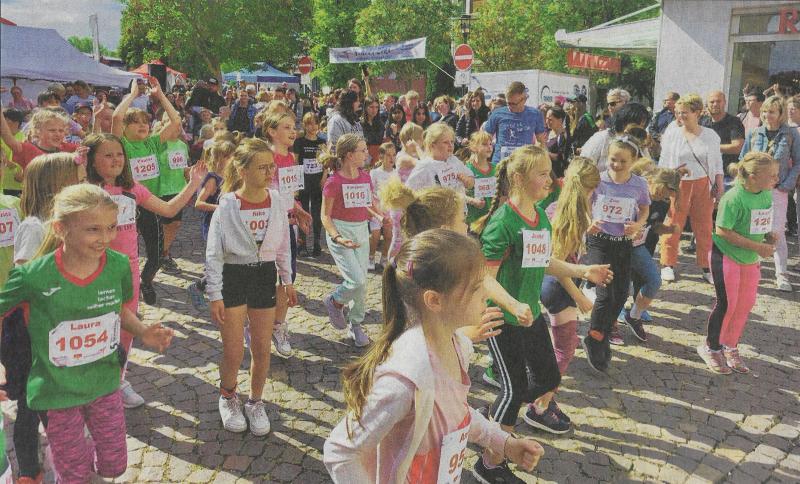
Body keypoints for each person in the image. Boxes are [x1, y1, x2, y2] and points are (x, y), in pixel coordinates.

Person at [323, 229, 544, 483]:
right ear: (434, 301)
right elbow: (340, 452)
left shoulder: (457, 345)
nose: (487, 294)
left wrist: (503, 443)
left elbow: (457, 413)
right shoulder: (405, 380)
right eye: (476, 288)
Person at [0, 184, 173, 484]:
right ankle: (71, 466)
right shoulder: (33, 275)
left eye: (111, 227)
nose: (105, 238)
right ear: (61, 229)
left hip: (104, 382)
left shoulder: (118, 265)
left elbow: (118, 308)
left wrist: (143, 331)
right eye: (93, 229)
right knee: (74, 474)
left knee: (114, 465)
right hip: (57, 391)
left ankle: (80, 464)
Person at [472, 145, 613, 480]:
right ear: (519, 178)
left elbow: (543, 260)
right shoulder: (502, 223)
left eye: (550, 173)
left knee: (548, 378)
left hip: (530, 316)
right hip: (501, 319)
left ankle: (492, 418)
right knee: (514, 388)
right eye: (542, 174)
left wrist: (583, 271)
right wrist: (512, 304)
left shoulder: (540, 217)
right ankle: (489, 464)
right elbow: (485, 279)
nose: (550, 180)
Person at [83, 133, 205, 407]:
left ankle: (118, 380)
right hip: (93, 271)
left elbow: (168, 209)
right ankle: (92, 386)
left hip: (128, 271)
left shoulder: (132, 188)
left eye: (119, 154)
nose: (116, 160)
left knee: (126, 328)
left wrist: (193, 184)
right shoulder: (84, 189)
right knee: (97, 325)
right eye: (107, 155)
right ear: (92, 159)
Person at [206, 138, 294, 435]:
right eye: (262, 167)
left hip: (264, 276)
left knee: (262, 347)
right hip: (233, 276)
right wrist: (214, 293)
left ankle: (256, 401)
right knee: (233, 350)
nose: (270, 172)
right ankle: (228, 396)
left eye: (271, 166)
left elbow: (283, 245)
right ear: (242, 170)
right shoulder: (227, 204)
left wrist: (287, 279)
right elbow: (213, 252)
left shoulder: (277, 200)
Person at [8, 153, 85, 483]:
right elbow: (24, 278)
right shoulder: (33, 227)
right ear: (57, 187)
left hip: (59, 325)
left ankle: (64, 456)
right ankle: (30, 468)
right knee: (32, 400)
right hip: (34, 329)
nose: (84, 186)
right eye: (78, 181)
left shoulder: (66, 225)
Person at [697, 152, 779, 374]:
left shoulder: (766, 194)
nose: (776, 179)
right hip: (726, 256)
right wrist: (757, 247)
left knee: (745, 304)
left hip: (749, 259)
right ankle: (710, 347)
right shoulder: (733, 197)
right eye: (772, 175)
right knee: (728, 304)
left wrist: (767, 236)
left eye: (776, 174)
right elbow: (722, 230)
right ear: (753, 177)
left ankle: (730, 346)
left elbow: (757, 222)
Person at [111, 77, 183, 305]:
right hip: (126, 206)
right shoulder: (122, 144)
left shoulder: (152, 143)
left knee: (157, 254)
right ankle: (122, 291)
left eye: (145, 122)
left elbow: (176, 120)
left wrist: (160, 95)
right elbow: (116, 118)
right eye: (136, 122)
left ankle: (146, 281)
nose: (143, 126)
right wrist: (133, 95)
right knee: (123, 253)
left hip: (150, 203)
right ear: (125, 128)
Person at [580, 136, 650, 370]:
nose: (617, 165)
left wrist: (638, 224)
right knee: (605, 292)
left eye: (623, 161)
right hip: (599, 241)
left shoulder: (639, 184)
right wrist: (589, 221)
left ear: (633, 161)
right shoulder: (598, 180)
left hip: (623, 243)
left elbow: (644, 208)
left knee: (620, 294)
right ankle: (595, 337)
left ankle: (603, 332)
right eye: (613, 159)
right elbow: (584, 203)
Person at [321, 134, 385, 347]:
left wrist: (378, 215)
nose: (367, 154)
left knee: (362, 283)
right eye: (363, 150)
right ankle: (334, 300)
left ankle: (355, 324)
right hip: (340, 232)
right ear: (349, 155)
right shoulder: (333, 182)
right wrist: (337, 237)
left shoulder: (365, 177)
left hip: (361, 230)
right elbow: (325, 216)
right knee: (356, 280)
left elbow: (365, 203)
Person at [540, 158, 599, 376]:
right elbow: (556, 263)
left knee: (566, 341)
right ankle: (544, 393)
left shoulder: (555, 207)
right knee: (564, 349)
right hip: (558, 286)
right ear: (590, 190)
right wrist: (579, 297)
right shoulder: (573, 217)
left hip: (555, 285)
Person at [658, 94, 724, 283]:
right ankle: (667, 263)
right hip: (679, 184)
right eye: (678, 113)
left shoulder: (711, 136)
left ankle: (706, 266)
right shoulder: (673, 134)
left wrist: (719, 186)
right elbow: (664, 161)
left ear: (697, 112)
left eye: (685, 112)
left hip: (703, 184)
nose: (680, 117)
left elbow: (717, 163)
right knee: (673, 223)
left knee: (704, 226)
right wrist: (664, 184)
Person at [738, 95, 800, 292]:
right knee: (753, 230)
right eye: (764, 111)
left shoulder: (791, 134)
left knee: (777, 232)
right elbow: (743, 159)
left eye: (771, 111)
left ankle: (781, 274)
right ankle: (751, 271)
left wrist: (787, 184)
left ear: (780, 113)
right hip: (754, 191)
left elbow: (798, 162)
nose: (766, 115)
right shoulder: (755, 133)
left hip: (777, 190)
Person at [618, 160, 682, 340]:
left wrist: (669, 229)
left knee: (652, 280)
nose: (663, 196)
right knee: (622, 284)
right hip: (619, 246)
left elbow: (654, 225)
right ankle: (615, 315)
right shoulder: (634, 193)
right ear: (654, 181)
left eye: (668, 194)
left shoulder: (662, 202)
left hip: (640, 246)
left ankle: (635, 315)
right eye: (662, 191)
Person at [188, 140, 237, 311]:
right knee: (220, 261)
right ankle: (198, 287)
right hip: (212, 225)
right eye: (229, 156)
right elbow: (199, 203)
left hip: (228, 224)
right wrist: (221, 208)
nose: (233, 159)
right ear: (219, 158)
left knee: (227, 260)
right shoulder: (213, 179)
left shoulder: (231, 178)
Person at [482, 81, 547, 163]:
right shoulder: (497, 113)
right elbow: (485, 138)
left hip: (523, 163)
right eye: (508, 103)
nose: (510, 106)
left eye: (514, 104)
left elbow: (540, 141)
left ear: (524, 99)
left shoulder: (535, 114)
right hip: (500, 163)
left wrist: (537, 159)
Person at [1, 107, 78, 172]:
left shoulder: (68, 148)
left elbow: (85, 145)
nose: (58, 134)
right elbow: (8, 138)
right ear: (37, 131)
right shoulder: (28, 149)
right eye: (52, 130)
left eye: (61, 131)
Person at [580, 102, 651, 171]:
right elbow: (582, 167)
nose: (639, 130)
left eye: (642, 127)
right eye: (635, 125)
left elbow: (649, 170)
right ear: (624, 122)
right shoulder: (602, 138)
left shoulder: (639, 144)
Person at [293, 113, 326, 257]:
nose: (313, 127)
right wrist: (296, 182)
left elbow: (326, 162)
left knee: (317, 214)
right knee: (303, 212)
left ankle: (317, 243)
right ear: (305, 125)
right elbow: (295, 162)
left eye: (315, 123)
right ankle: (302, 244)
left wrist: (324, 177)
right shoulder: (299, 142)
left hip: (318, 181)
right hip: (304, 182)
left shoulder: (322, 142)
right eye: (309, 124)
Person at [406, 123, 474, 193]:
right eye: (445, 142)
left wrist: (468, 181)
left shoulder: (454, 160)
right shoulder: (424, 166)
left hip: (459, 200)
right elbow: (407, 191)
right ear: (433, 145)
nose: (450, 145)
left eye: (452, 142)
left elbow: (471, 179)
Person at [700, 91, 745, 177]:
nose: (715, 104)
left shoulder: (734, 122)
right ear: (707, 104)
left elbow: (737, 147)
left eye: (718, 101)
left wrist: (711, 147)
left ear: (724, 103)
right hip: (706, 172)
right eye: (712, 102)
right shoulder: (703, 122)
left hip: (727, 173)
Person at [368, 142, 396, 270]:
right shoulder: (374, 173)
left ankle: (384, 258)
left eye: (394, 155)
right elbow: (370, 192)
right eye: (388, 155)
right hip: (377, 210)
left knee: (389, 236)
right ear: (381, 157)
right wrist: (376, 211)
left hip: (390, 210)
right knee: (375, 236)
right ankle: (371, 257)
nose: (392, 158)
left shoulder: (396, 173)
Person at [464, 131, 496, 228]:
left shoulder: (496, 168)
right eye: (484, 144)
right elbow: (459, 194)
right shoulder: (466, 169)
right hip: (473, 221)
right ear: (474, 147)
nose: (489, 147)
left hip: (492, 220)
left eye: (490, 144)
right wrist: (473, 201)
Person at [0, 108, 25, 196]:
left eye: (5, 121)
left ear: (15, 122)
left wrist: (22, 173)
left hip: (18, 186)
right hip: (3, 185)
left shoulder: (24, 138)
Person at [545, 105, 571, 177]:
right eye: (546, 119)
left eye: (550, 119)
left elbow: (561, 157)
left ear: (560, 120)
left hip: (558, 175)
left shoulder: (564, 136)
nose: (547, 121)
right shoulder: (546, 133)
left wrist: (544, 153)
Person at [360, 96, 383, 165]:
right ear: (365, 108)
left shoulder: (381, 123)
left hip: (378, 158)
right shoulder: (359, 124)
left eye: (376, 107)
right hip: (364, 158)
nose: (374, 110)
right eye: (371, 107)